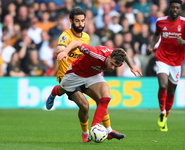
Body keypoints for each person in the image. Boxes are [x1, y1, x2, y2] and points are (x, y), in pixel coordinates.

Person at [46, 7, 126, 143]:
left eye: (82, 21)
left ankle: (108, 130)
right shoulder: (65, 35)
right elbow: (59, 49)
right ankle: (84, 133)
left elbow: (87, 57)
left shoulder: (86, 37)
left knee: (102, 99)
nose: (80, 24)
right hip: (69, 74)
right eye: (77, 21)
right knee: (84, 106)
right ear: (71, 21)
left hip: (85, 74)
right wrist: (62, 52)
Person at [48, 39, 142, 140]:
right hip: (76, 73)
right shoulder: (96, 53)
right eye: (112, 63)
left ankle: (102, 129)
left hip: (93, 75)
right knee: (61, 91)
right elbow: (77, 43)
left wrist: (131, 67)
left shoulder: (117, 59)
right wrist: (65, 52)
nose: (112, 67)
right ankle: (53, 93)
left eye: (116, 66)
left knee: (105, 98)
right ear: (109, 57)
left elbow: (123, 52)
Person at [147, 0, 185, 132]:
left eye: (177, 8)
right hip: (162, 58)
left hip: (176, 62)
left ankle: (165, 117)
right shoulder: (160, 21)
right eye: (173, 7)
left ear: (180, 10)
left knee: (171, 91)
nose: (175, 10)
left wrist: (183, 42)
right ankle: (162, 112)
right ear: (169, 8)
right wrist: (152, 46)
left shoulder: (184, 23)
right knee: (163, 85)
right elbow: (157, 34)